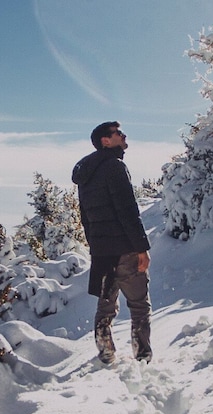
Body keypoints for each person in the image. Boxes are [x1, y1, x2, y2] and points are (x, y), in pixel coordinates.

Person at [72, 121, 152, 364]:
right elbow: (127, 210)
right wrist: (141, 248)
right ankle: (143, 357)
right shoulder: (114, 166)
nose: (123, 135)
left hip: (102, 253)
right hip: (125, 249)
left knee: (106, 306)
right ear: (105, 141)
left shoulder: (87, 173)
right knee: (139, 305)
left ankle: (106, 354)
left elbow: (85, 217)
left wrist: (96, 246)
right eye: (118, 133)